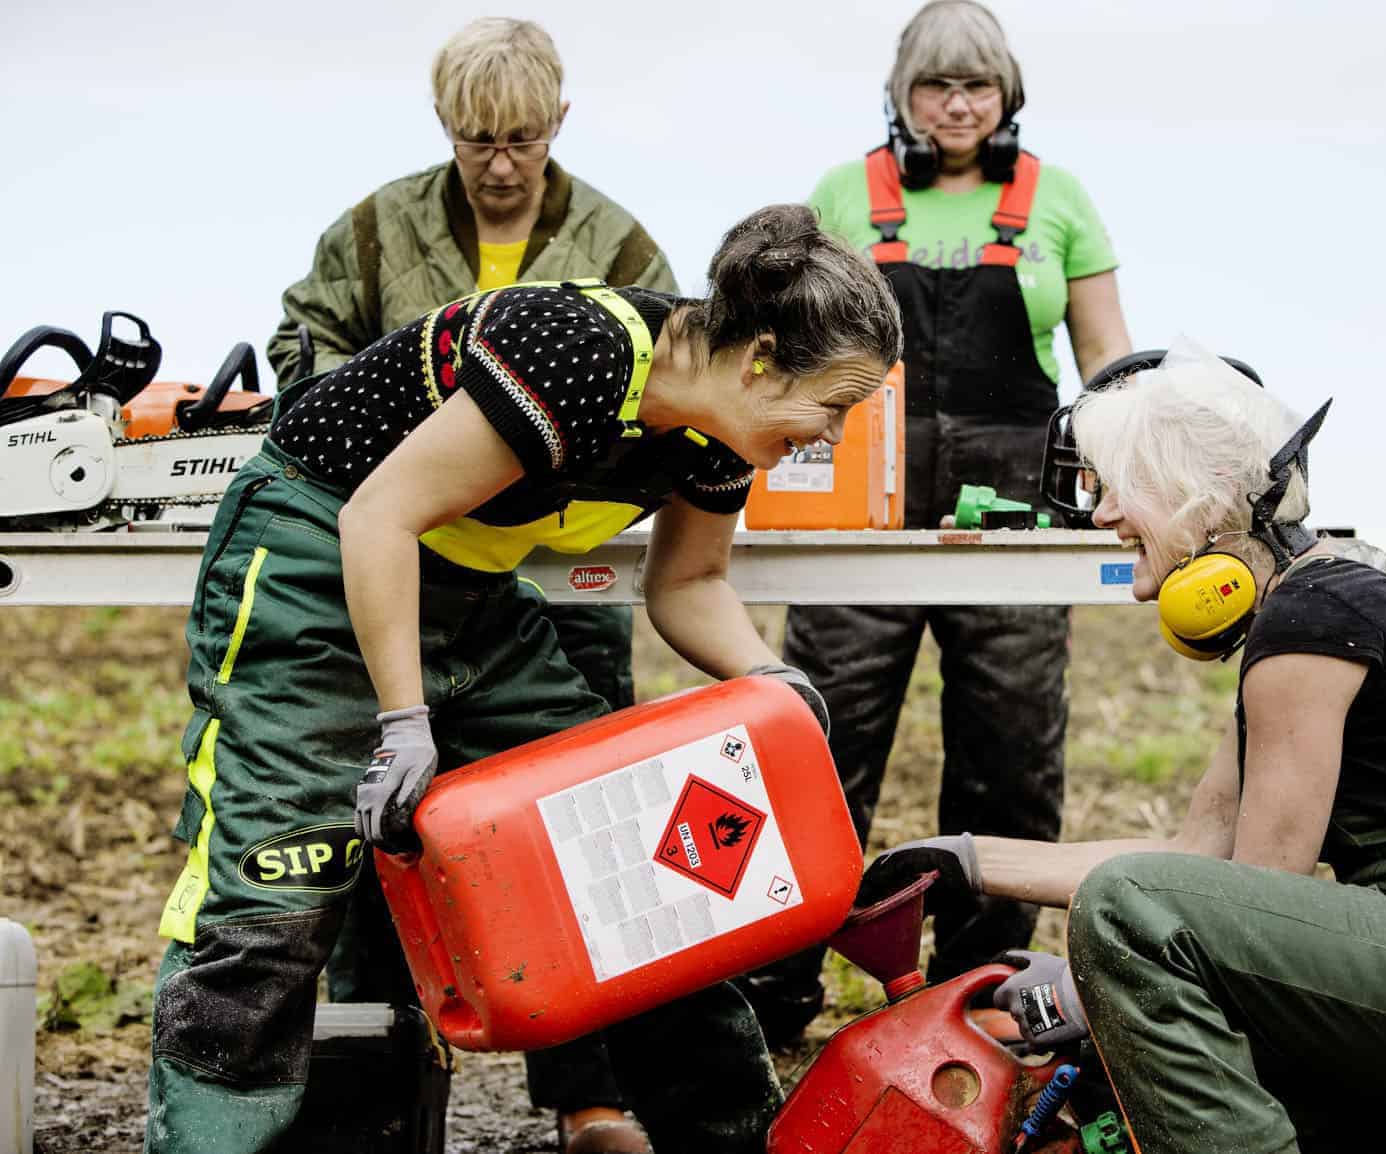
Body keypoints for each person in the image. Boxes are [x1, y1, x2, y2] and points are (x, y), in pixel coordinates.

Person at [145, 204, 903, 1154]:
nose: (829, 434)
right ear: (758, 359)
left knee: (641, 859)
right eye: (831, 406)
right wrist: (404, 721)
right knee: (279, 888)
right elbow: (377, 519)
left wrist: (771, 677)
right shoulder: (578, 351)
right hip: (313, 561)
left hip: (469, 595)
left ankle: (732, 1135)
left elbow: (689, 583)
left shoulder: (718, 430)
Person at [855, 342, 1386, 1154]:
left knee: (1129, 941)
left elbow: (1243, 892)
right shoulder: (1304, 611)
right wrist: (957, 858)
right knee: (1136, 970)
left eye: (1111, 488)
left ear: (1190, 494)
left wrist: (1080, 989)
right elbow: (1191, 863)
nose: (1099, 515)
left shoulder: (1311, 618)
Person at [262, 19, 677, 1148]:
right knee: (381, 819)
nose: (500, 163)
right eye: (477, 138)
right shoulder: (373, 227)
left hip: (562, 584)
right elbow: (300, 350)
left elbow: (666, 399)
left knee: (569, 822)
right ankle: (384, 1077)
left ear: (561, 124)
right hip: (405, 566)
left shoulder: (619, 238)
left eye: (524, 139)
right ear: (444, 127)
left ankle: (589, 1092)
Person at [742, 0, 1134, 1046]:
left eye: (978, 86)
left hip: (1014, 526)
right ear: (902, 95)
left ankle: (983, 991)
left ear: (1006, 96)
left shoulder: (1058, 201)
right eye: (936, 86)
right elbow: (778, 347)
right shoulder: (840, 195)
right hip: (857, 521)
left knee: (1009, 755)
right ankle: (777, 994)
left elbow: (1108, 364)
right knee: (822, 744)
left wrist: (1136, 469)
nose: (958, 105)